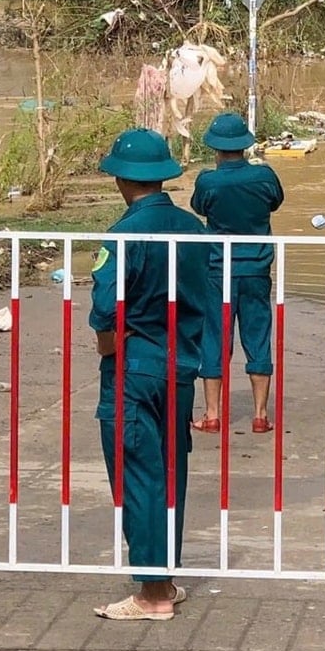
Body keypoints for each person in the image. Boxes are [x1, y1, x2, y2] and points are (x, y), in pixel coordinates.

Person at [88, 128, 213, 622]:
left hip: (132, 369)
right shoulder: (193, 229)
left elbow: (105, 310)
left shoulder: (123, 235)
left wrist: (107, 348)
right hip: (179, 366)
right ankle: (164, 577)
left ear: (120, 178)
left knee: (137, 476)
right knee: (169, 476)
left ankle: (153, 593)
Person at [188, 113, 287, 435]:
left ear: (215, 149)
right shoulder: (264, 176)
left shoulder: (207, 180)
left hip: (218, 269)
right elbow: (276, 203)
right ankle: (260, 415)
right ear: (245, 146)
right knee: (257, 336)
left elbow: (200, 209)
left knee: (215, 338)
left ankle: (213, 414)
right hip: (256, 268)